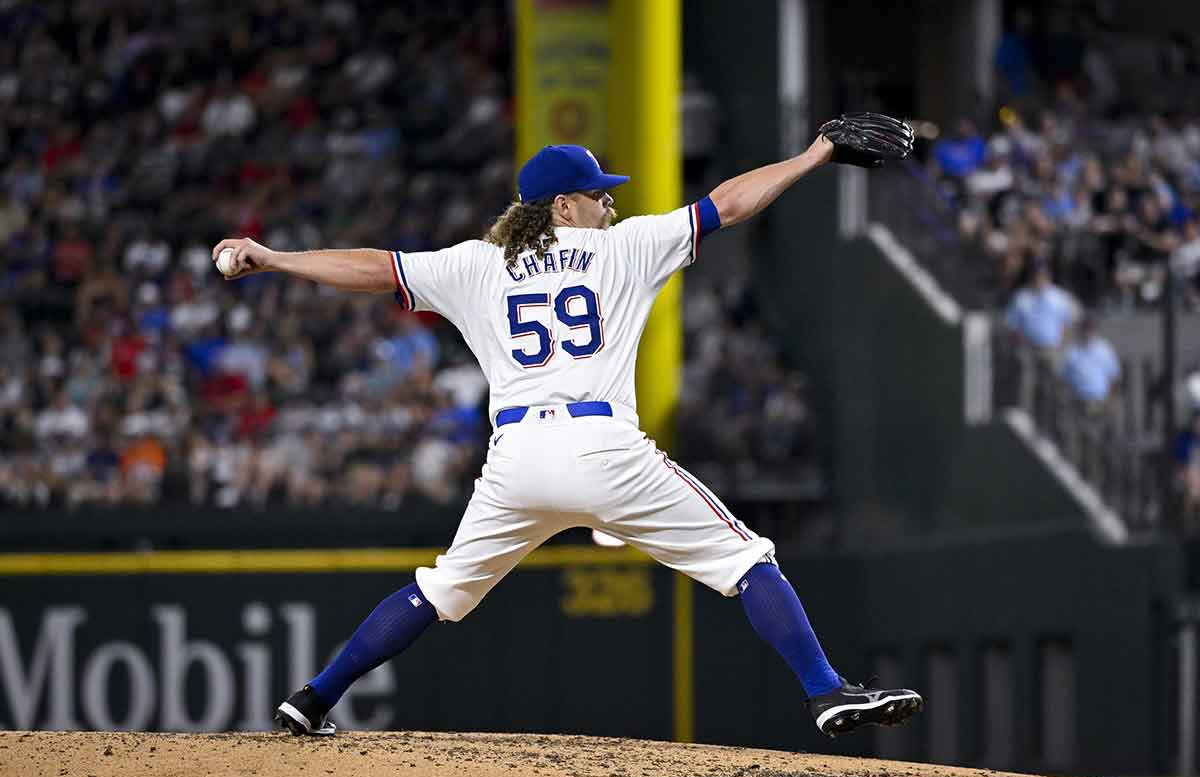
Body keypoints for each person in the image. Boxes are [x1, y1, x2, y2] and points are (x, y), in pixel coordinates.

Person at [212, 134, 923, 740]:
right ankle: (826, 689)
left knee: (440, 591)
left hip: (516, 461)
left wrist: (273, 257)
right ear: (562, 206)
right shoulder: (624, 247)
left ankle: (312, 700)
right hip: (604, 449)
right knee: (747, 558)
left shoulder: (475, 264)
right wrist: (816, 152)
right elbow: (730, 202)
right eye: (598, 194)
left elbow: (372, 268)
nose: (611, 203)